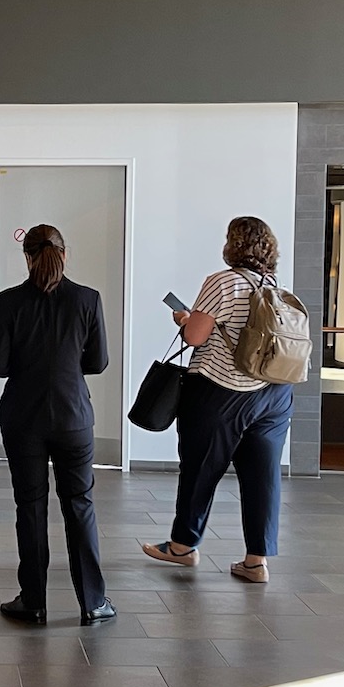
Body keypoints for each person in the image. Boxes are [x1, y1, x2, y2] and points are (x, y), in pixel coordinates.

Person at [142, 216, 294, 584]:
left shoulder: (222, 282)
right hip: (275, 394)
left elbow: (195, 337)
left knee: (201, 468)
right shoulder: (275, 286)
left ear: (233, 244)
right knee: (263, 476)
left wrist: (184, 318)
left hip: (221, 390)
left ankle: (182, 547)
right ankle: (256, 562)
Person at [0, 224, 113, 625]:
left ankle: (34, 601)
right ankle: (93, 602)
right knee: (80, 506)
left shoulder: (7, 302)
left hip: (23, 418)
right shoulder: (87, 300)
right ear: (64, 253)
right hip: (74, 417)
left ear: (26, 257)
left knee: (31, 507)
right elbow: (98, 362)